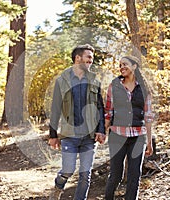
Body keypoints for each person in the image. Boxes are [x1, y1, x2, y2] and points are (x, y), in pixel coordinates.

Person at [48, 44, 106, 200]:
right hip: (69, 134)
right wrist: (53, 134)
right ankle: (57, 187)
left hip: (89, 135)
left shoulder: (94, 80)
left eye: (92, 59)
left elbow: (100, 107)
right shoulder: (62, 80)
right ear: (78, 58)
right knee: (68, 170)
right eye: (88, 57)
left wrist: (101, 130)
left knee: (85, 174)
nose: (91, 61)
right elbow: (55, 108)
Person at [104, 55, 154, 200]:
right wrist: (102, 133)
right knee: (115, 175)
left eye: (125, 64)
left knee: (134, 176)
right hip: (117, 136)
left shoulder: (144, 88)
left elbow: (148, 116)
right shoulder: (114, 85)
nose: (122, 67)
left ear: (134, 66)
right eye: (120, 65)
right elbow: (108, 112)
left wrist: (149, 141)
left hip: (138, 136)